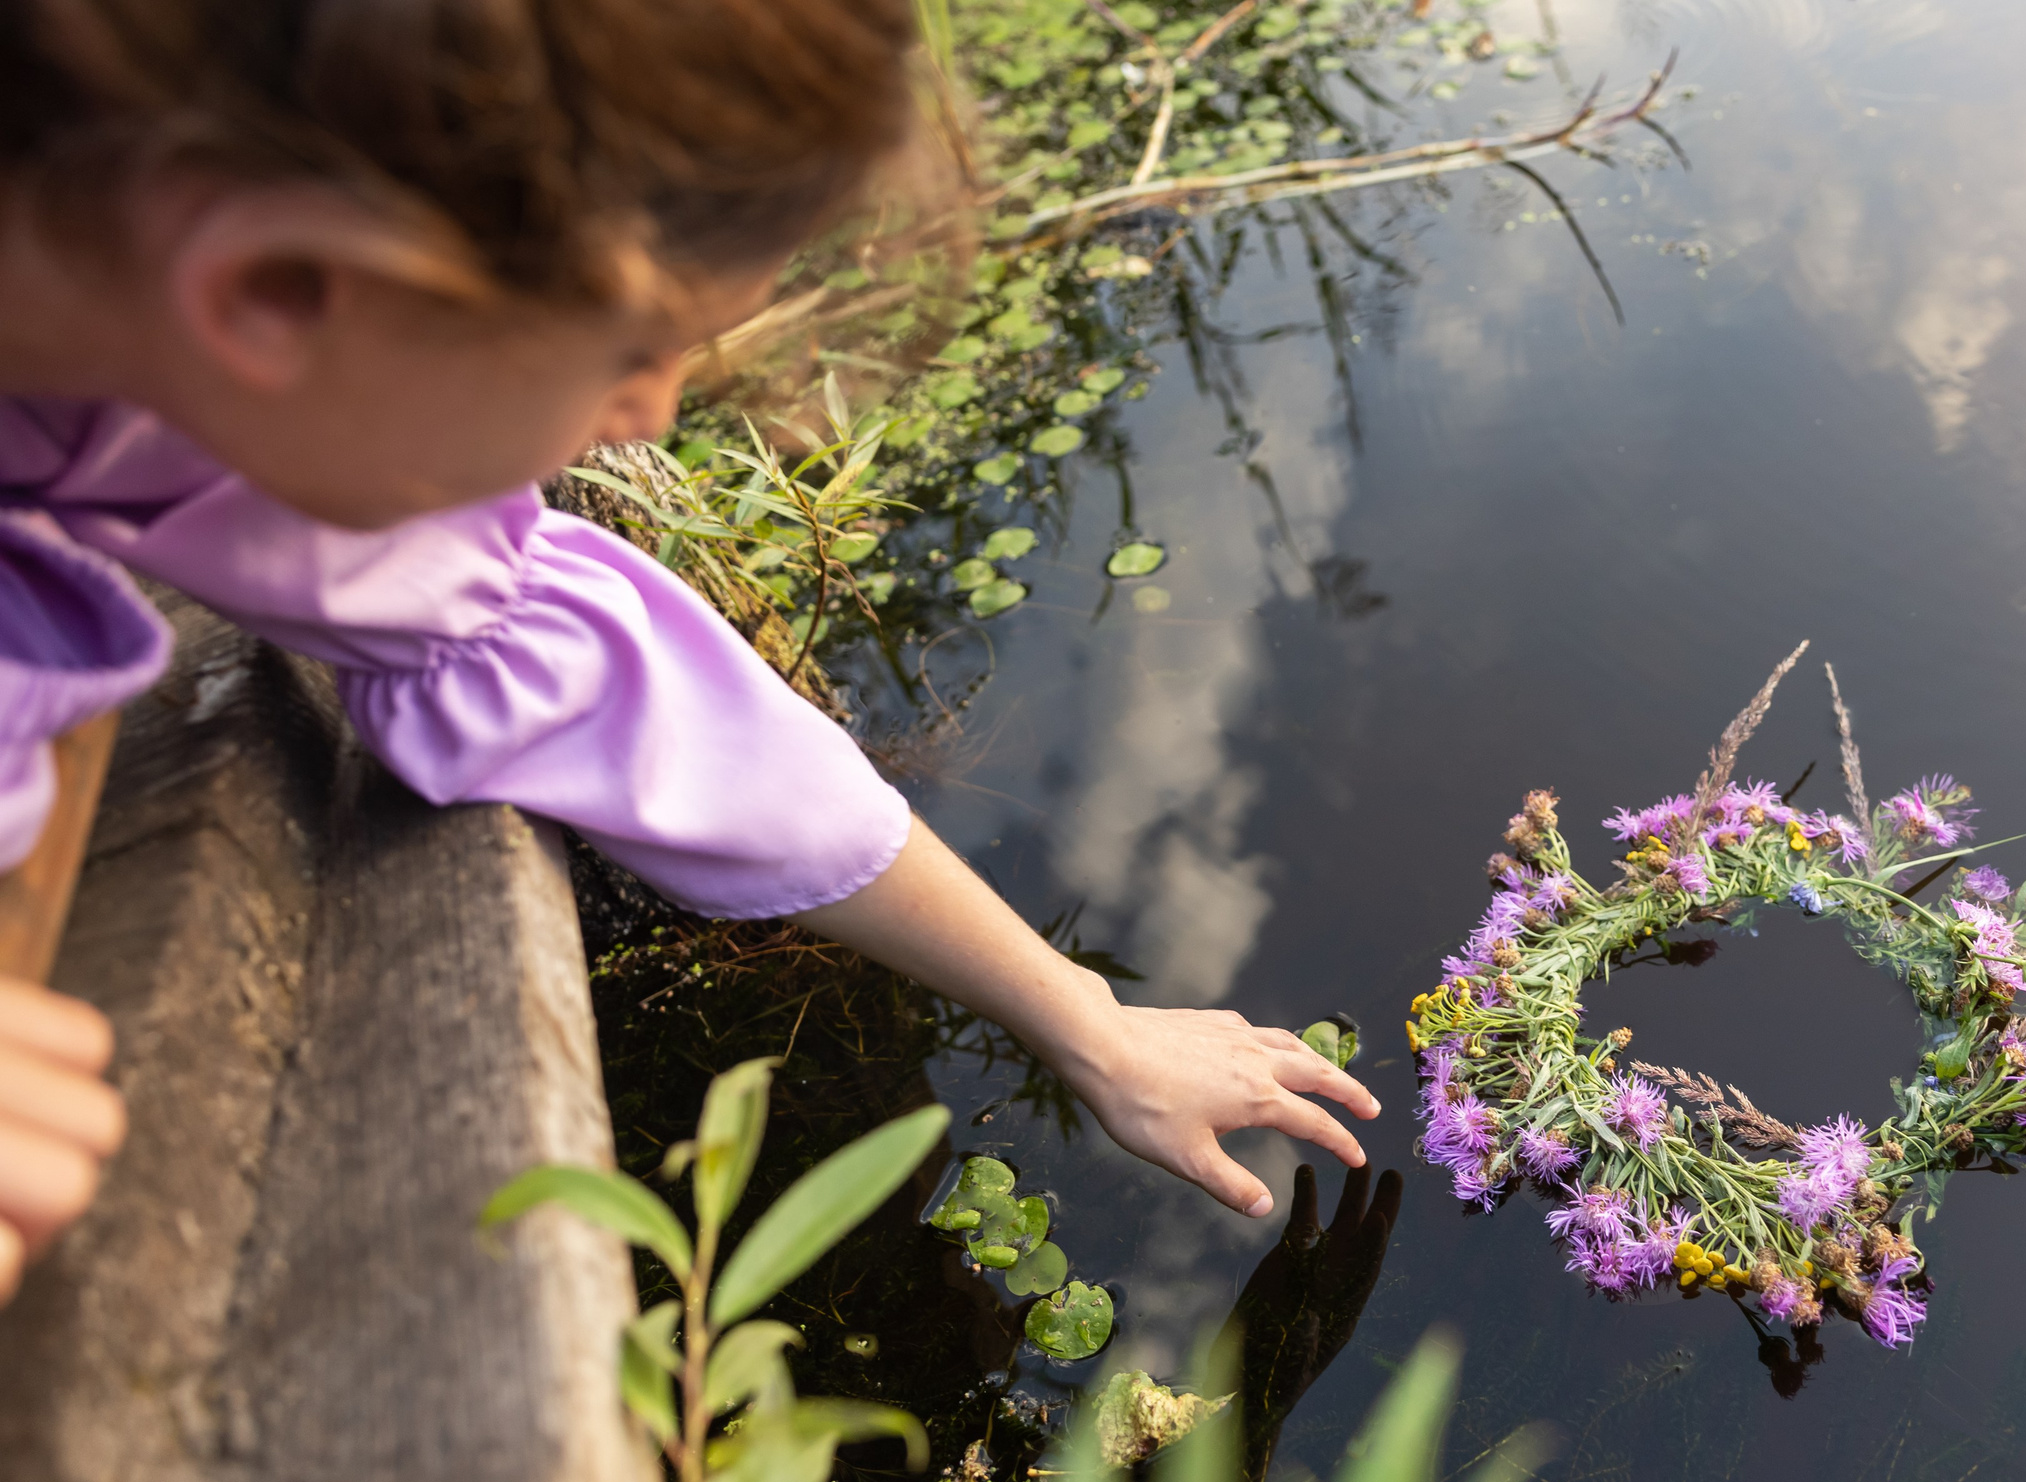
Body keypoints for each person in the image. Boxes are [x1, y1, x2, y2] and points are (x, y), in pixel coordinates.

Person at [0, 0, 1377, 1309]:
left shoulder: (240, 385)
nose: (642, 423)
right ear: (278, 291)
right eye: (631, 352)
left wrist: (1087, 1020)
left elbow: (604, 680)